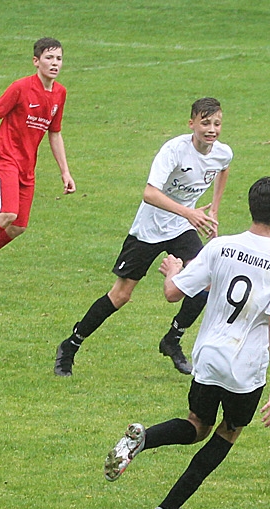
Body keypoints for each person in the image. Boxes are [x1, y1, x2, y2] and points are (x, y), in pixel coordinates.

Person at [103, 177, 270, 509]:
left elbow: (173, 293)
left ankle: (142, 439)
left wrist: (174, 271)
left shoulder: (220, 246)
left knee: (197, 424)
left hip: (207, 357)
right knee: (227, 431)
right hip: (243, 369)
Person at [55, 98, 228, 376]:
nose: (211, 129)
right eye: (205, 123)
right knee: (121, 295)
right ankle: (70, 345)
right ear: (191, 123)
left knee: (206, 280)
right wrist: (188, 212)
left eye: (217, 124)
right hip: (149, 229)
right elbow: (149, 193)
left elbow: (223, 167)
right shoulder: (174, 151)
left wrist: (214, 209)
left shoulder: (222, 153)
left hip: (181, 227)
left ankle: (172, 339)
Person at [0, 37, 74, 289]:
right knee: (7, 212)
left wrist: (65, 172)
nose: (54, 63)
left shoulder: (60, 93)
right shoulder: (20, 87)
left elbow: (54, 133)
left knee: (18, 226)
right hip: (5, 158)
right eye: (49, 58)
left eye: (59, 58)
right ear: (36, 61)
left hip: (27, 166)